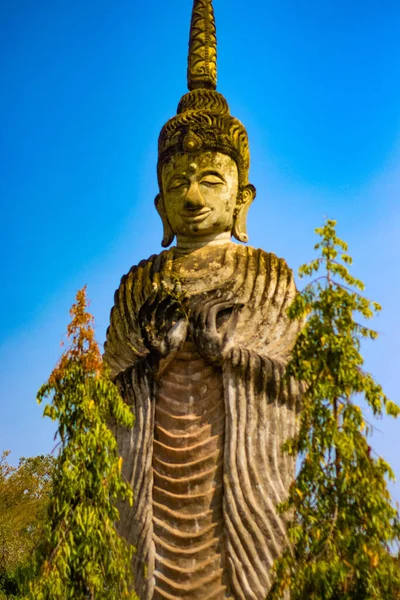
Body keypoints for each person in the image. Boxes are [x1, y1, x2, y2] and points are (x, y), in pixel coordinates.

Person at [104, 1, 301, 598]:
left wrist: (229, 355)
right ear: (160, 204)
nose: (193, 196)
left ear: (243, 198)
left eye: (210, 179)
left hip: (244, 493)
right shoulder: (138, 286)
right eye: (178, 181)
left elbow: (294, 385)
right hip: (153, 496)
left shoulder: (269, 276)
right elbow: (107, 401)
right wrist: (152, 363)